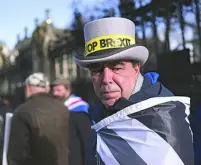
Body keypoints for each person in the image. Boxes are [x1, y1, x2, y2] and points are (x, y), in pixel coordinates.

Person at [73, 17, 194, 165]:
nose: (106, 79)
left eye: (117, 68)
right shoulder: (99, 113)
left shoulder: (163, 120)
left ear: (136, 69)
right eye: (96, 71)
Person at [7, 72, 69, 165]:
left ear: (27, 88)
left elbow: (17, 152)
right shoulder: (63, 109)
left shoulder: (21, 111)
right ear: (47, 89)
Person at [52, 78, 91, 165]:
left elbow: (86, 139)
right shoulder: (57, 108)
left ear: (68, 90)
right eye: (54, 90)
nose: (55, 93)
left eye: (58, 90)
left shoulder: (80, 109)